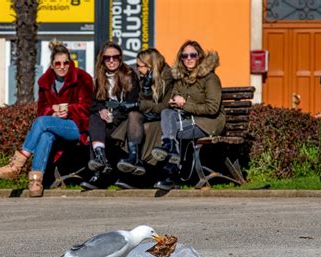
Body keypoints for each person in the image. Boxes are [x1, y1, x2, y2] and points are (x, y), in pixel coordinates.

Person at [0, 40, 94, 197]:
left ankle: (17, 164)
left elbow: (89, 107)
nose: (62, 67)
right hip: (55, 126)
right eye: (58, 63)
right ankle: (35, 182)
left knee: (41, 122)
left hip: (79, 126)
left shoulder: (83, 78)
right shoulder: (45, 82)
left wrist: (69, 109)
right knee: (46, 135)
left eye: (66, 63)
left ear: (70, 63)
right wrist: (53, 114)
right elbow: (42, 109)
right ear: (52, 65)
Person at [152, 40, 225, 190]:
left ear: (200, 56)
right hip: (186, 120)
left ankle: (170, 174)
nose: (189, 59)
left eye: (193, 55)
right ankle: (171, 151)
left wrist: (184, 104)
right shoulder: (181, 79)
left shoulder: (210, 78)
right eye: (185, 56)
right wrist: (173, 102)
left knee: (168, 131)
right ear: (181, 59)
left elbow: (212, 109)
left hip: (207, 123)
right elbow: (174, 99)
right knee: (166, 113)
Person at [80, 41, 140, 190]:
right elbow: (94, 103)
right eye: (107, 58)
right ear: (102, 59)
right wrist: (102, 110)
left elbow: (132, 104)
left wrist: (114, 116)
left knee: (96, 130)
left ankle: (99, 173)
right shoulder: (100, 77)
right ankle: (101, 161)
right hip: (107, 121)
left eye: (115, 57)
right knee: (95, 118)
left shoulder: (129, 76)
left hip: (124, 121)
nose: (112, 61)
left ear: (120, 59)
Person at [112, 48, 174, 178]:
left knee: (143, 124)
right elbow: (143, 104)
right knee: (133, 115)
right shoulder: (145, 78)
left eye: (139, 66)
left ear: (150, 66)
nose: (138, 69)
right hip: (150, 114)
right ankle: (134, 158)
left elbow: (164, 107)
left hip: (164, 118)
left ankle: (145, 172)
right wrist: (146, 90)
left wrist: (140, 104)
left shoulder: (168, 78)